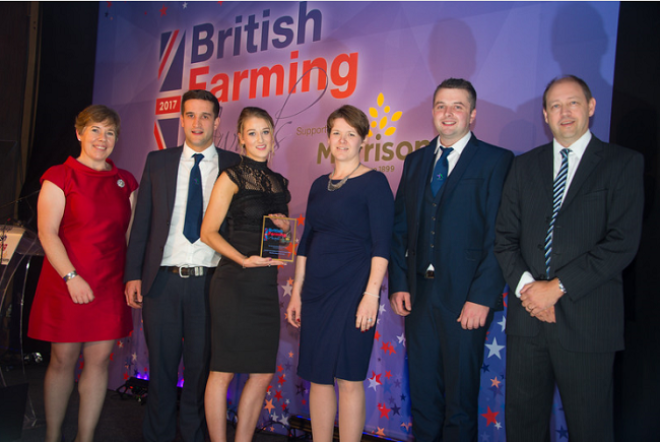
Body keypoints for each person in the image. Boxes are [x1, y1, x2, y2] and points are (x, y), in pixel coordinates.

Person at [494, 75, 644, 442]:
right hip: (528, 324)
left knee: (591, 429)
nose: (565, 112)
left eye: (573, 103)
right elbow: (504, 239)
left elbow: (621, 243)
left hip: (588, 322)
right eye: (556, 106)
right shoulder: (522, 166)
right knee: (523, 429)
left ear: (591, 107)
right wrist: (532, 291)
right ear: (545, 115)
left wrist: (557, 289)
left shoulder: (622, 164)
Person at [389, 78, 513, 441]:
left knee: (459, 403)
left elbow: (500, 235)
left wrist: (483, 296)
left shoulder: (496, 160)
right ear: (432, 112)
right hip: (418, 299)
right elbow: (399, 229)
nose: (448, 113)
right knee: (424, 398)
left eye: (458, 106)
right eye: (442, 105)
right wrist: (398, 283)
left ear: (472, 114)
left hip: (466, 301)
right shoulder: (414, 161)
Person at [124, 90, 240, 442]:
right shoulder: (158, 161)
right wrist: (132, 274)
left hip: (212, 284)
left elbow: (245, 222)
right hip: (162, 283)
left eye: (205, 116)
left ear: (217, 121)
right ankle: (157, 436)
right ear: (182, 119)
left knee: (200, 371)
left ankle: (193, 436)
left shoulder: (235, 164)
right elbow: (141, 222)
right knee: (159, 371)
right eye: (190, 115)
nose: (197, 123)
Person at [27, 105, 138, 442]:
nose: (102, 139)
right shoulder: (59, 176)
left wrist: (131, 278)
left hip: (108, 284)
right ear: (79, 133)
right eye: (95, 130)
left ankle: (84, 437)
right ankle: (53, 435)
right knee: (63, 359)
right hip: (67, 280)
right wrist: (71, 277)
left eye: (109, 132)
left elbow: (129, 237)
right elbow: (47, 233)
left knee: (99, 360)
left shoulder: (126, 182)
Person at [286, 105, 394, 442]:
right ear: (328, 138)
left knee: (348, 379)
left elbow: (382, 245)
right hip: (316, 293)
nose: (343, 140)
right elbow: (306, 243)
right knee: (318, 378)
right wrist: (297, 292)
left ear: (362, 139)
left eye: (351, 133)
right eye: (337, 133)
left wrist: (370, 295)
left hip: (354, 293)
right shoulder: (319, 185)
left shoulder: (375, 183)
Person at [200, 107, 291, 442]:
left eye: (265, 131)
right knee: (221, 371)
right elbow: (208, 232)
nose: (260, 139)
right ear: (240, 138)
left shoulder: (281, 183)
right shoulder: (230, 177)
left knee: (263, 372)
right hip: (234, 283)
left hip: (265, 287)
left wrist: (283, 233)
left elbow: (277, 236)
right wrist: (243, 259)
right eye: (252, 133)